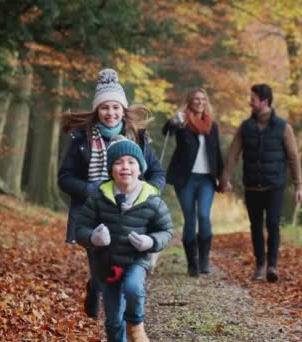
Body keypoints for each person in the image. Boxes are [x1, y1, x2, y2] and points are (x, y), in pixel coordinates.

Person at [58, 68, 165, 319]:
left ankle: (124, 315)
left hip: (131, 209)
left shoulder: (138, 138)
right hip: (93, 211)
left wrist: (148, 192)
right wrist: (89, 189)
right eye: (105, 108)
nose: (110, 113)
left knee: (126, 262)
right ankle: (96, 287)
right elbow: (64, 177)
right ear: (97, 110)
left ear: (123, 110)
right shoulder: (82, 139)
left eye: (115, 107)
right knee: (101, 265)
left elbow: (157, 173)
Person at [73, 136, 173, 341]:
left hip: (137, 259)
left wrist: (151, 242)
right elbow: (80, 228)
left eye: (131, 162)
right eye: (118, 162)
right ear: (111, 169)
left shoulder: (151, 199)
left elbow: (166, 230)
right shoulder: (99, 197)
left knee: (133, 288)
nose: (125, 167)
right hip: (107, 264)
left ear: (140, 168)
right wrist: (93, 237)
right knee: (113, 320)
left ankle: (136, 324)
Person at [220, 83, 302, 283]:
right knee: (255, 226)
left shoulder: (283, 127)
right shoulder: (245, 127)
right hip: (252, 185)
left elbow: (293, 157)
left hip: (274, 185)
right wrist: (225, 179)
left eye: (253, 99)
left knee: (273, 224)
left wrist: (298, 185)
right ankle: (260, 264)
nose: (250, 102)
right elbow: (233, 154)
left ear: (264, 102)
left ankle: (272, 265)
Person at [161, 88, 223, 277]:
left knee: (204, 215)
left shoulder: (212, 124)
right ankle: (192, 264)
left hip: (206, 178)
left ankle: (204, 261)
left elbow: (217, 152)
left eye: (202, 99)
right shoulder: (182, 121)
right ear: (189, 101)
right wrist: (173, 122)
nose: (199, 102)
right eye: (195, 99)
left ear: (206, 101)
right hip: (185, 178)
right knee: (190, 218)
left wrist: (223, 178)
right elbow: (167, 132)